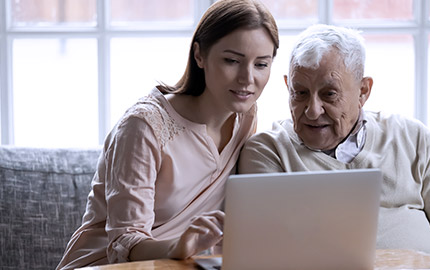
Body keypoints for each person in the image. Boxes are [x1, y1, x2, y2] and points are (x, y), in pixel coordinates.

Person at [56, 0, 279, 269]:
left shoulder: (245, 115)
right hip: (107, 265)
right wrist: (177, 246)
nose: (247, 78)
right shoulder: (142, 127)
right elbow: (124, 241)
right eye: (232, 60)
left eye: (261, 65)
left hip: (184, 264)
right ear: (199, 56)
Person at [238, 24, 430, 265]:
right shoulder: (267, 152)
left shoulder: (412, 137)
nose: (312, 111)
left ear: (363, 91)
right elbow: (270, 256)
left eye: (329, 94)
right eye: (300, 93)